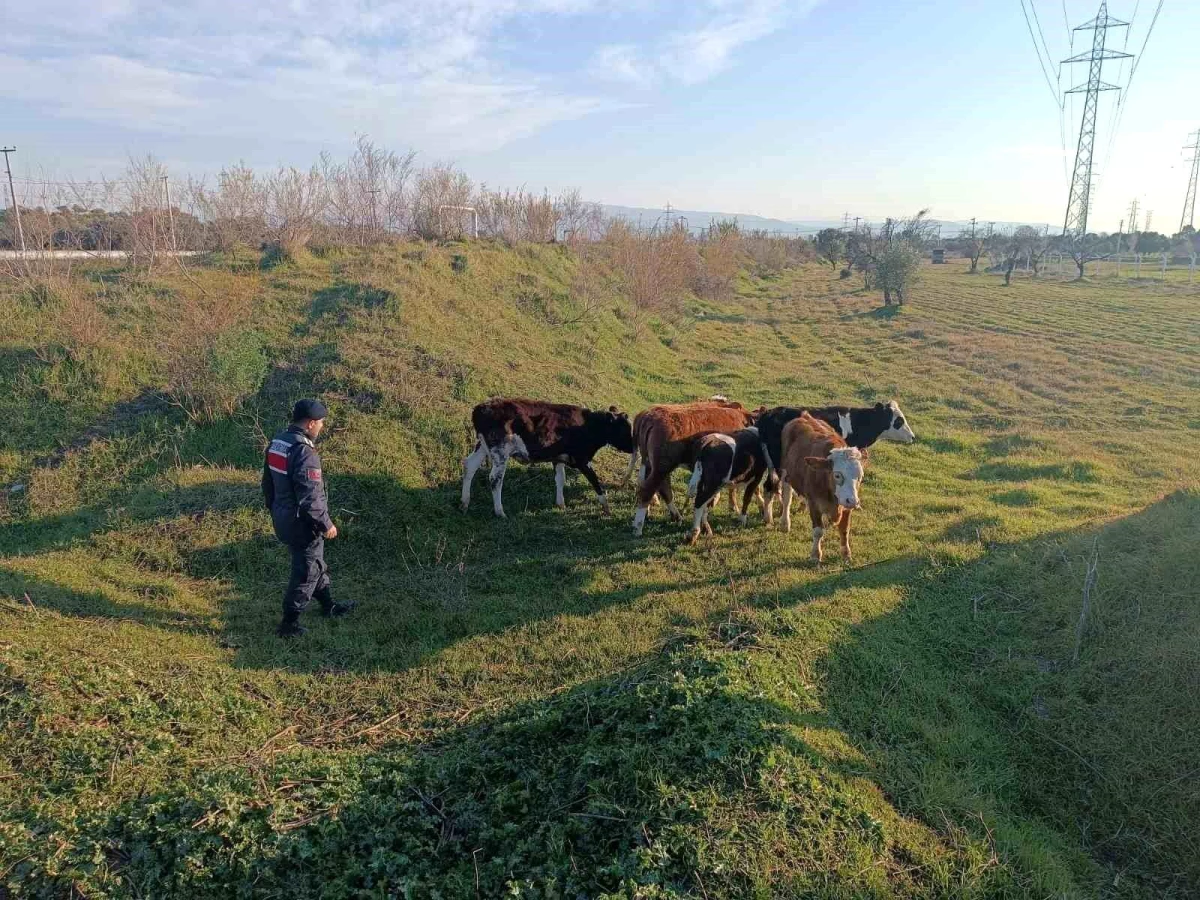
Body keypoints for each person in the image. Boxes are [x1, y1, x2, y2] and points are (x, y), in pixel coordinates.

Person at [261, 399, 355, 637]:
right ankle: (289, 623)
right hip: (303, 523)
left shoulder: (278, 442)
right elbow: (310, 496)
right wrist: (326, 523)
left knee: (315, 564)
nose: (322, 427)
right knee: (306, 572)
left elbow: (267, 483)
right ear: (311, 423)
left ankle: (328, 606)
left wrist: (274, 509)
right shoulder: (304, 451)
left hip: (283, 516)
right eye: (321, 423)